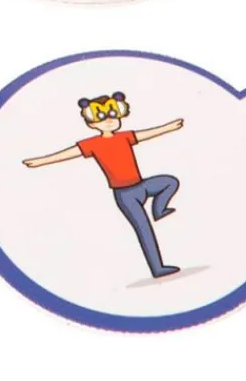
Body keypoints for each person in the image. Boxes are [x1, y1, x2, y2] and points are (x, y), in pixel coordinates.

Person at [23, 92, 184, 278]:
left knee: (170, 181)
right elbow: (68, 154)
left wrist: (169, 127)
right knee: (144, 230)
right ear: (92, 124)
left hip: (141, 186)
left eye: (113, 116)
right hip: (125, 195)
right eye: (101, 118)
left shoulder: (124, 137)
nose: (108, 121)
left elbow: (147, 134)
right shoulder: (92, 144)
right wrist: (41, 161)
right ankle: (157, 268)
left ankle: (159, 210)